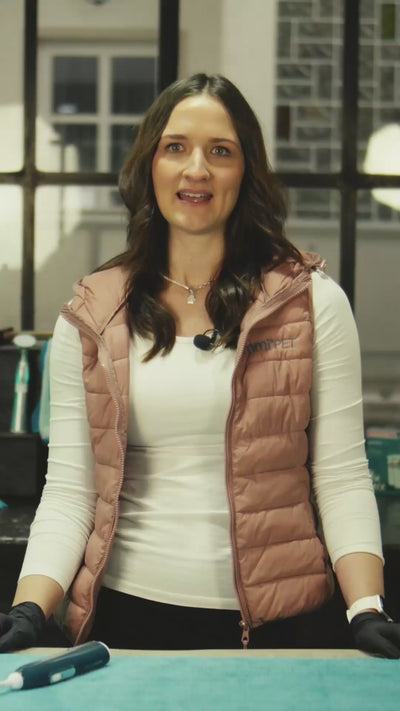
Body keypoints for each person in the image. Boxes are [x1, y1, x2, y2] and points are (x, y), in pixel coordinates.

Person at [1, 73, 399, 656]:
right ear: (150, 166)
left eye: (221, 151)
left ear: (247, 172)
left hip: (280, 627)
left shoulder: (312, 303)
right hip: (126, 621)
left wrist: (366, 609)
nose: (197, 170)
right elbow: (69, 492)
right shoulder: (92, 314)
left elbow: (341, 477)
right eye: (176, 147)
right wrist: (29, 609)